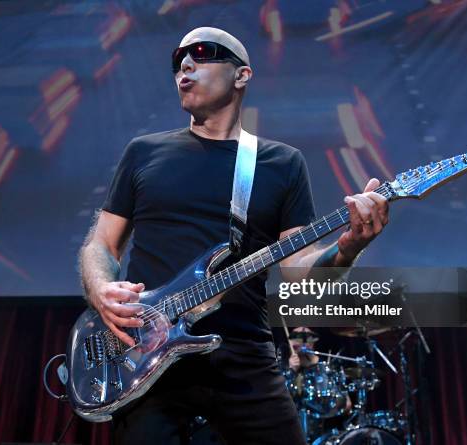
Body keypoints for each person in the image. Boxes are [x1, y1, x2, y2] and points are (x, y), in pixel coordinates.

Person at [79, 26, 389, 445]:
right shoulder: (144, 152)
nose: (185, 65)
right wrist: (100, 288)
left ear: (242, 75)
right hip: (147, 354)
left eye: (202, 53)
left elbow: (299, 274)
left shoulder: (281, 163)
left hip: (243, 353)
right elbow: (102, 243)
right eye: (178, 59)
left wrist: (350, 246)